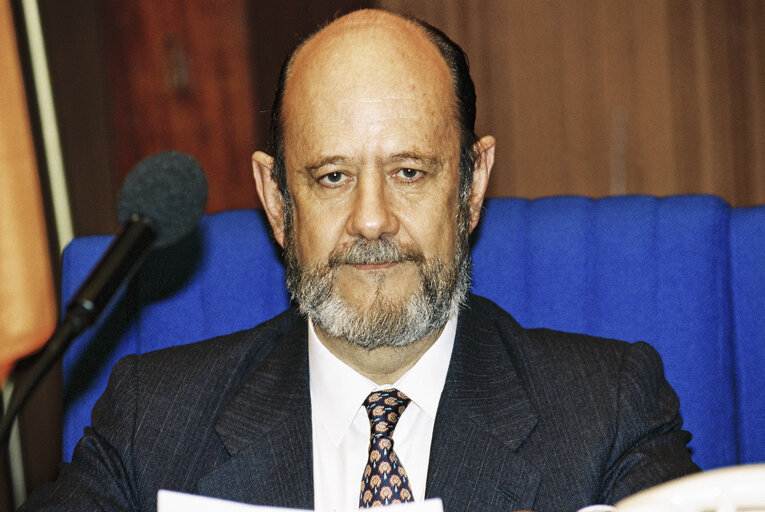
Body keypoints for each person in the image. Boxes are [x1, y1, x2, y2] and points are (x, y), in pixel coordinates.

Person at [21, 8, 699, 512]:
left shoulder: (605, 409)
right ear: (276, 199)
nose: (370, 220)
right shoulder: (152, 422)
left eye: (408, 171)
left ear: (471, 184)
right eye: (331, 178)